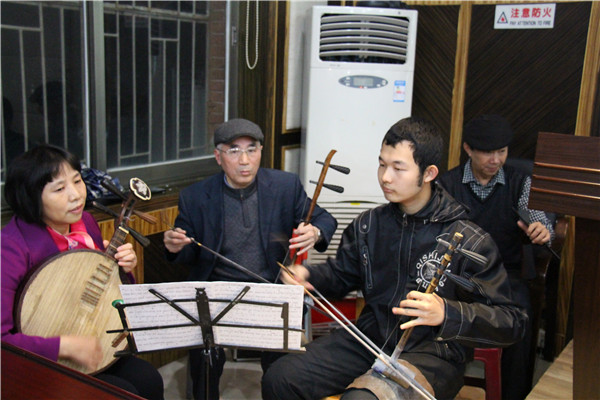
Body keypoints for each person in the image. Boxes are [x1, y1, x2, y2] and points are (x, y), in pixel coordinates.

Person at [261, 117, 528, 400]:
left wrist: (447, 313)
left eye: (398, 168)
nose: (385, 177)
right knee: (280, 379)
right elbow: (341, 276)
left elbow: (512, 321)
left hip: (433, 354)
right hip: (369, 340)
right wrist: (309, 277)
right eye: (382, 165)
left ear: (428, 173)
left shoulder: (469, 238)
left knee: (361, 399)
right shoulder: (368, 225)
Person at [163, 118, 337, 400]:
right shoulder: (195, 197)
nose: (244, 161)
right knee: (204, 361)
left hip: (270, 288)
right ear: (218, 156)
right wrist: (175, 246)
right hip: (217, 293)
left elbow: (325, 219)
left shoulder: (285, 186)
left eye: (252, 150)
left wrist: (315, 232)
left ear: (260, 152)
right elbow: (188, 250)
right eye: (234, 151)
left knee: (281, 371)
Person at [1, 144, 164, 400]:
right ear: (31, 196)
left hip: (90, 340)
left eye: (77, 181)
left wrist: (124, 270)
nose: (76, 195)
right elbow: (2, 341)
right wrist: (64, 346)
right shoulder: (10, 247)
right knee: (123, 394)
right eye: (59, 189)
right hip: (40, 360)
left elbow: (103, 295)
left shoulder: (85, 223)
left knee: (149, 379)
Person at [437, 114, 554, 400]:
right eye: (488, 152)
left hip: (506, 275)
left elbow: (538, 220)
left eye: (502, 151)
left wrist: (542, 231)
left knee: (520, 318)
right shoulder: (448, 184)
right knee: (437, 313)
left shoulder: (519, 182)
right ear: (468, 149)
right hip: (459, 275)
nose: (496, 159)